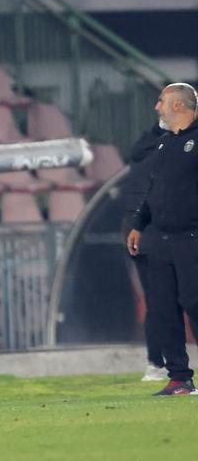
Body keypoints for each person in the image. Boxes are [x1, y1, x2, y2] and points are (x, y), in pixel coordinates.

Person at [126, 82, 198, 396]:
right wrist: (139, 224)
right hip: (161, 239)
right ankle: (179, 379)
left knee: (195, 305)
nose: (157, 107)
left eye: (161, 101)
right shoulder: (165, 143)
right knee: (163, 310)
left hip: (192, 239)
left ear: (179, 106)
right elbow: (154, 189)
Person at [122, 122, 172, 381]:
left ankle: (156, 363)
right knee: (179, 296)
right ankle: (158, 363)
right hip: (158, 229)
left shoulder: (141, 150)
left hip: (138, 229)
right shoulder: (172, 151)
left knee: (157, 300)